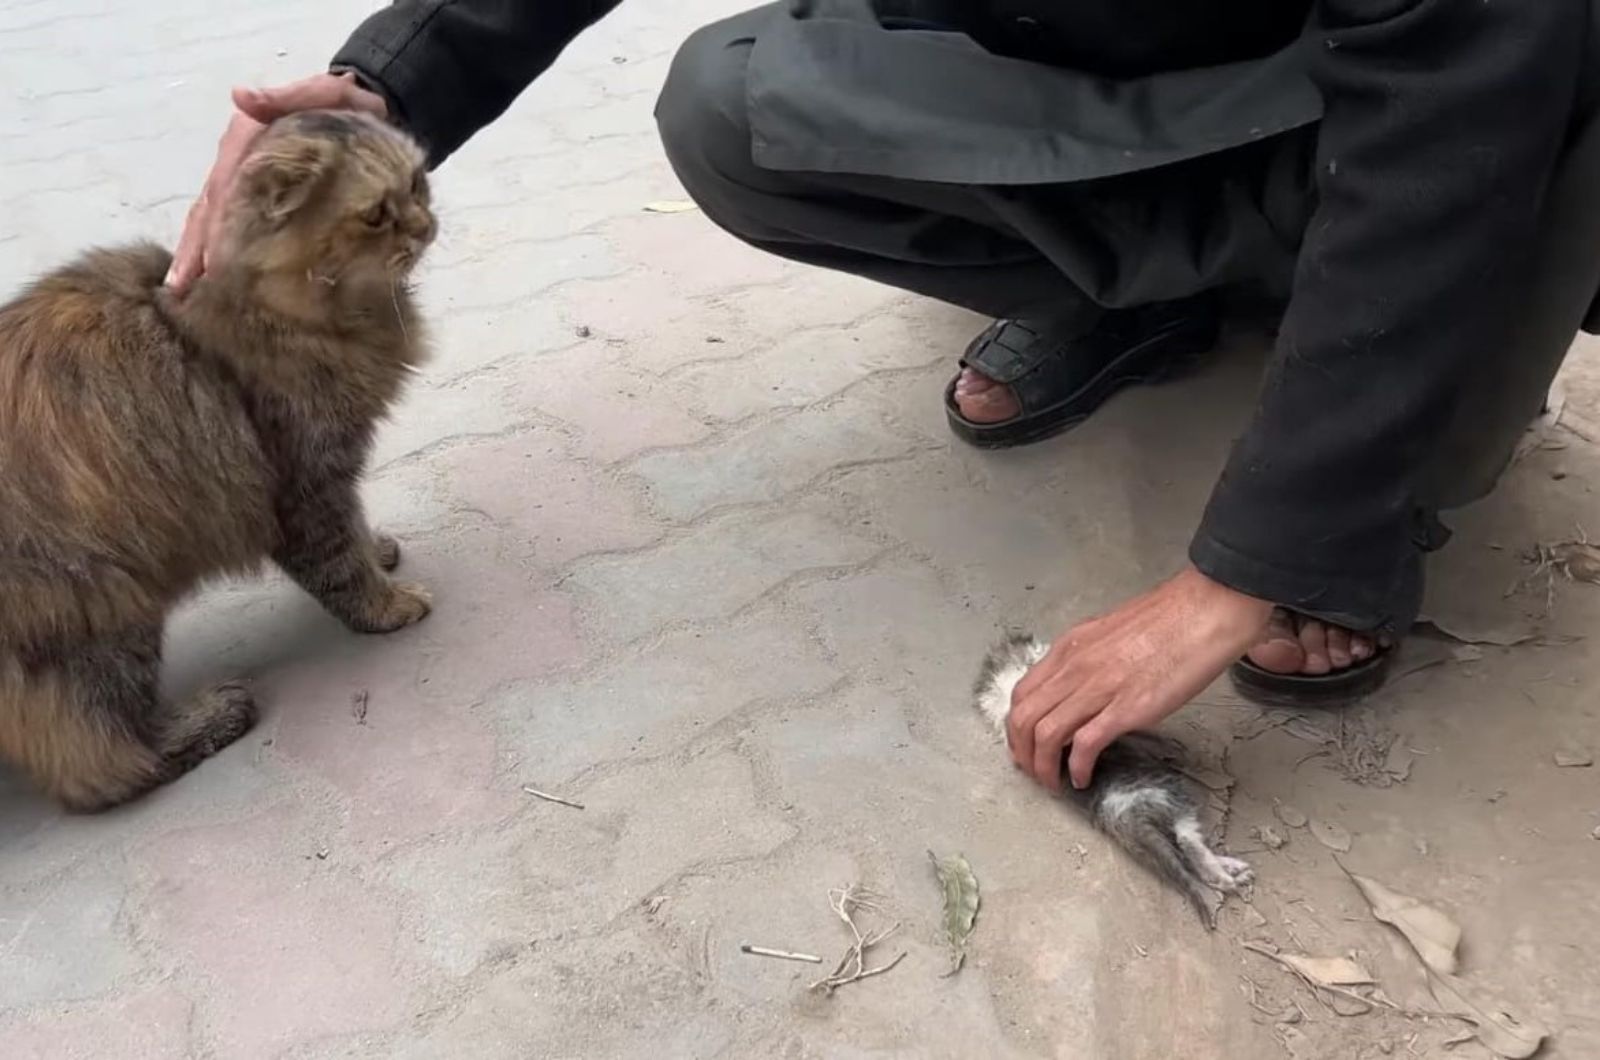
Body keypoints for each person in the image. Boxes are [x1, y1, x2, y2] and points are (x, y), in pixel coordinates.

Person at [167, 1, 1595, 792]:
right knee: (737, 104)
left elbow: (1454, 122)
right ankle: (1140, 292)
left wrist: (1253, 562)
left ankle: (1371, 481)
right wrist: (387, 81)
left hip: (1416, 89)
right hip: (1131, 58)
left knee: (1556, 110)